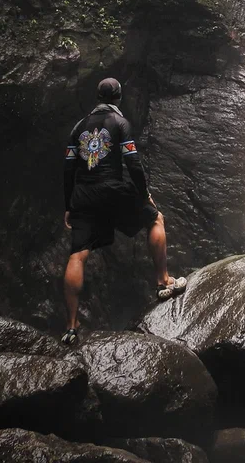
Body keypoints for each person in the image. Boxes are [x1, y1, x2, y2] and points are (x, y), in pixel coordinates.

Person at [61, 77, 186, 345]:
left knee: (77, 254)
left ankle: (71, 326)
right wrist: (144, 195)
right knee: (156, 220)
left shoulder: (78, 127)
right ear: (118, 98)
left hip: (83, 196)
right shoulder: (120, 123)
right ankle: (163, 281)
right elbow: (133, 163)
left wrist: (68, 205)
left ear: (97, 97)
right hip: (113, 189)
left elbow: (68, 170)